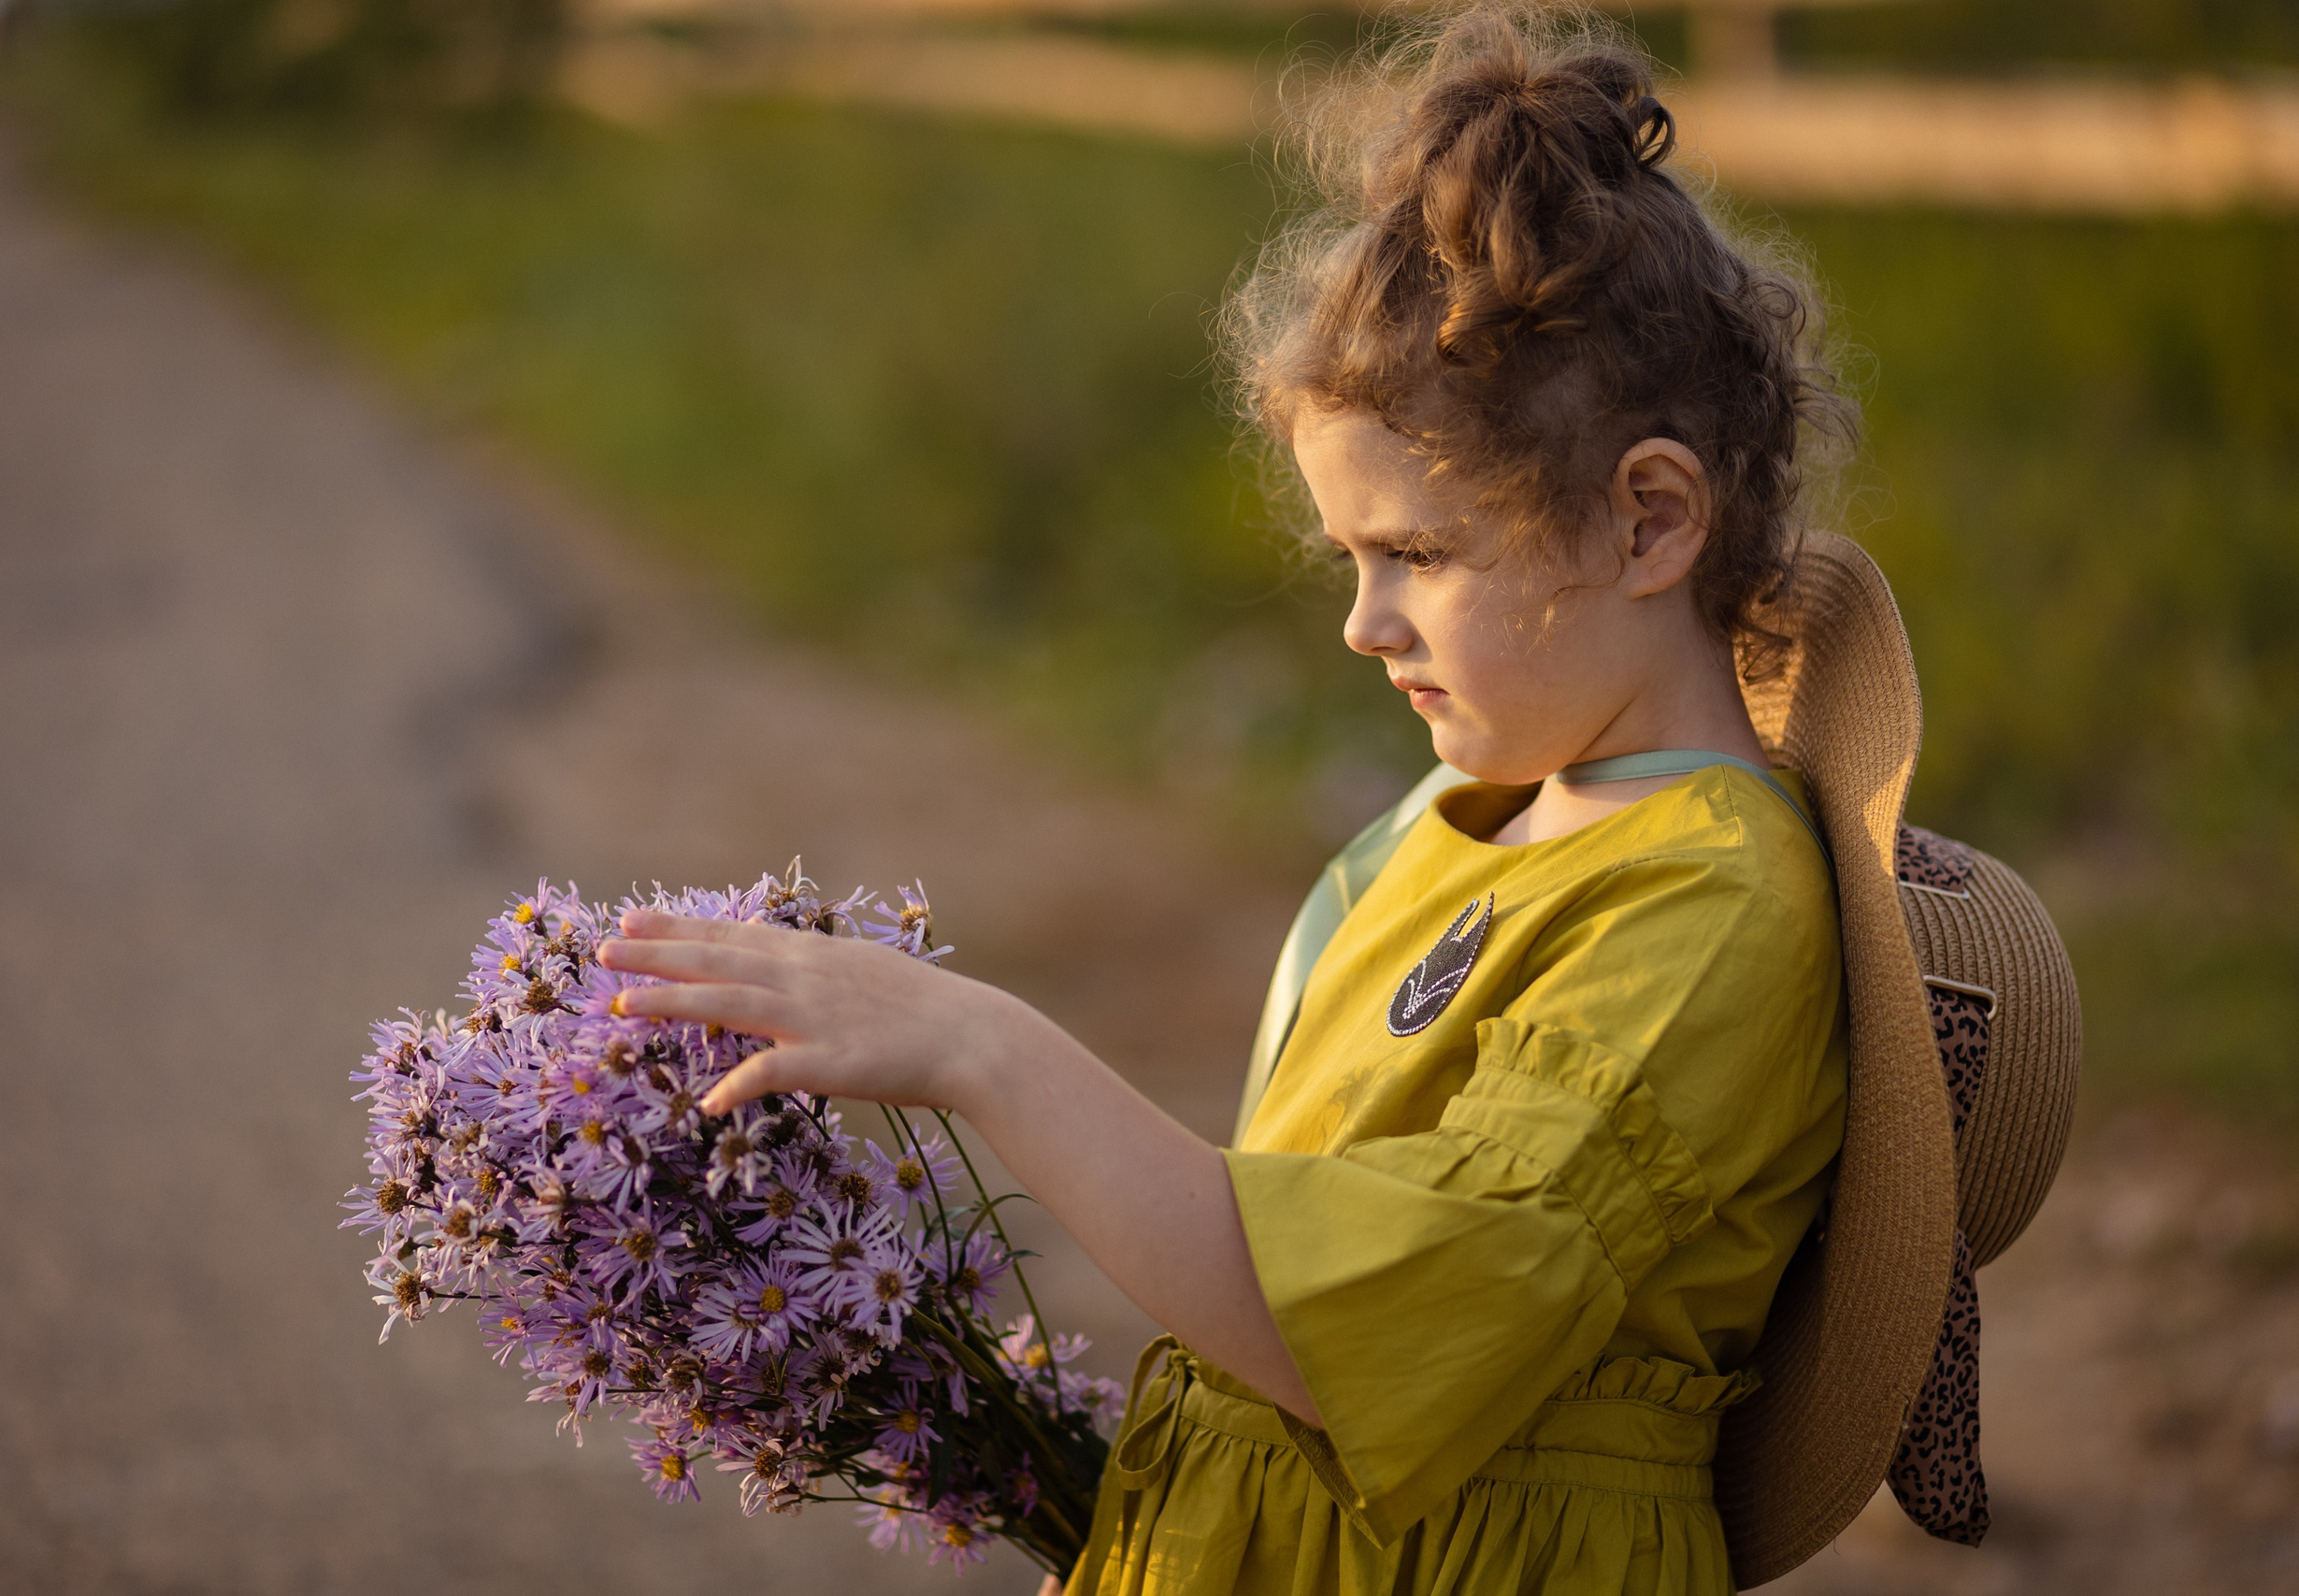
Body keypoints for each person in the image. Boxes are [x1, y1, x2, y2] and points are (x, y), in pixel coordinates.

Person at [596, 7, 1861, 1591]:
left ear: (1650, 520)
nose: (1363, 622)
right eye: (1350, 559)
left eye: (1417, 555)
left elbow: (1345, 1336)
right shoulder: (1448, 839)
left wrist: (982, 1046)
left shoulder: (1711, 904)